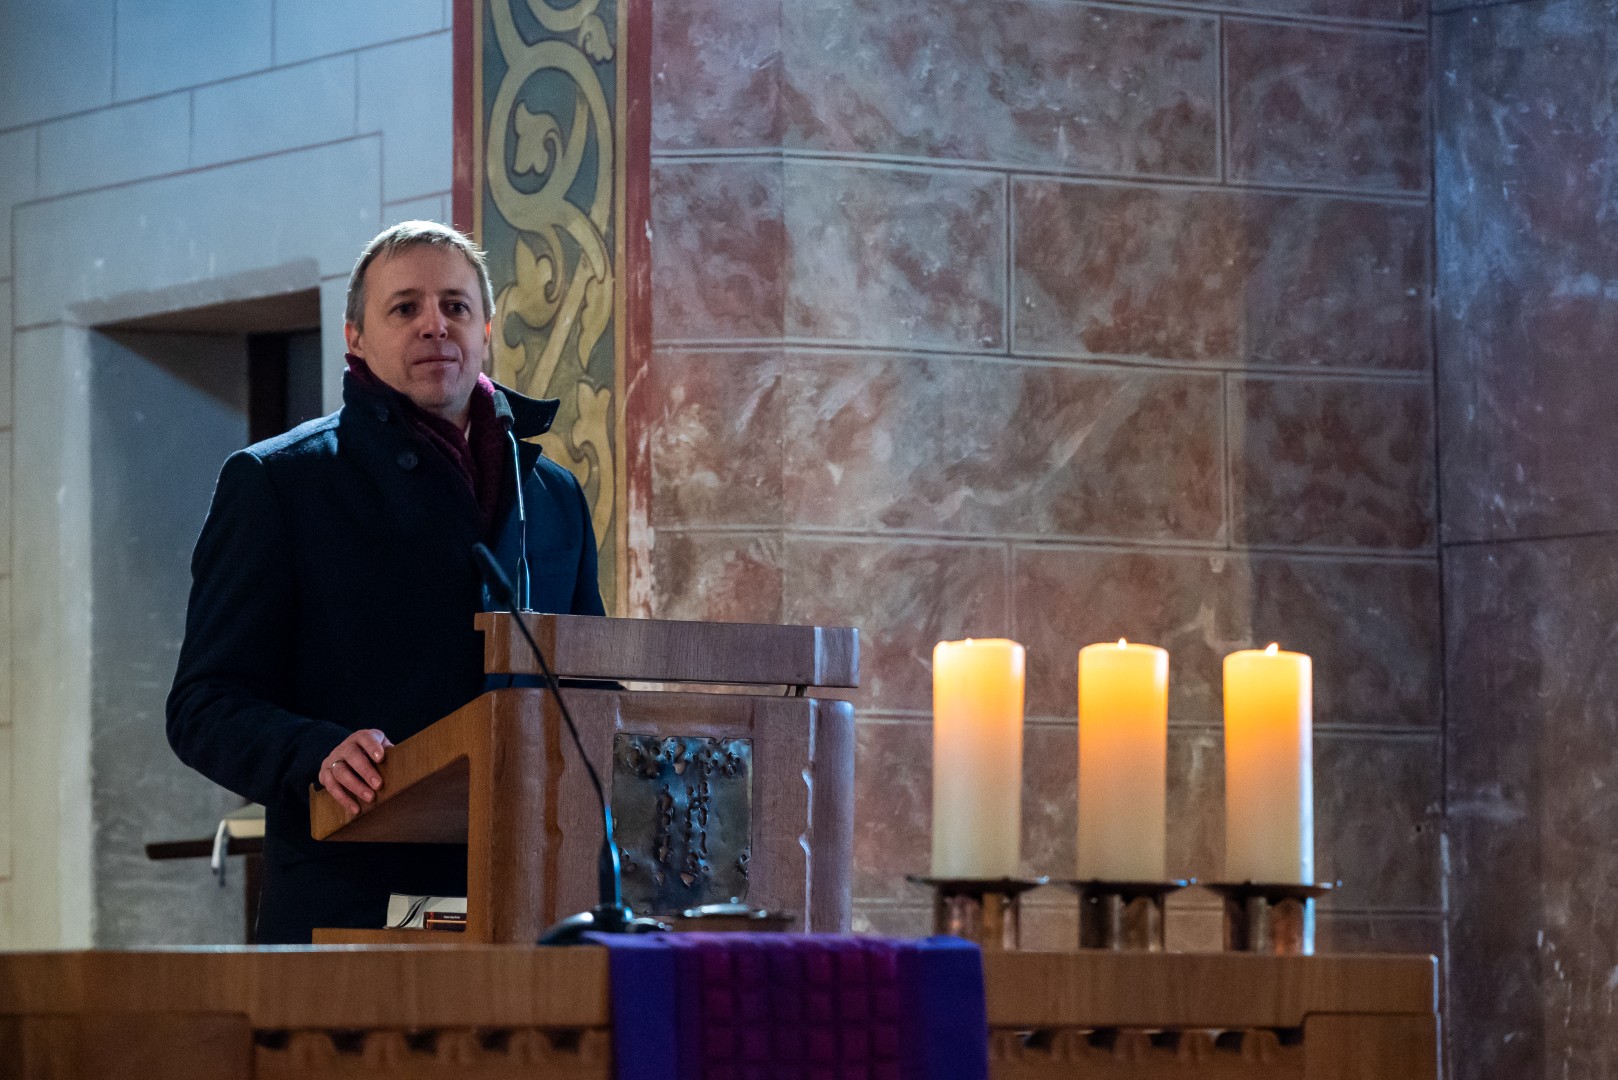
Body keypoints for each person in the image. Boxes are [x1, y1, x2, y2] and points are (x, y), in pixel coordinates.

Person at [166, 221, 605, 944]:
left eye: (456, 307)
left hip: (535, 906)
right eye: (405, 308)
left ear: (487, 330)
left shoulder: (550, 494)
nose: (435, 324)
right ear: (355, 339)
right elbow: (203, 705)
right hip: (355, 909)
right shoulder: (283, 484)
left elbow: (586, 684)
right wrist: (313, 751)